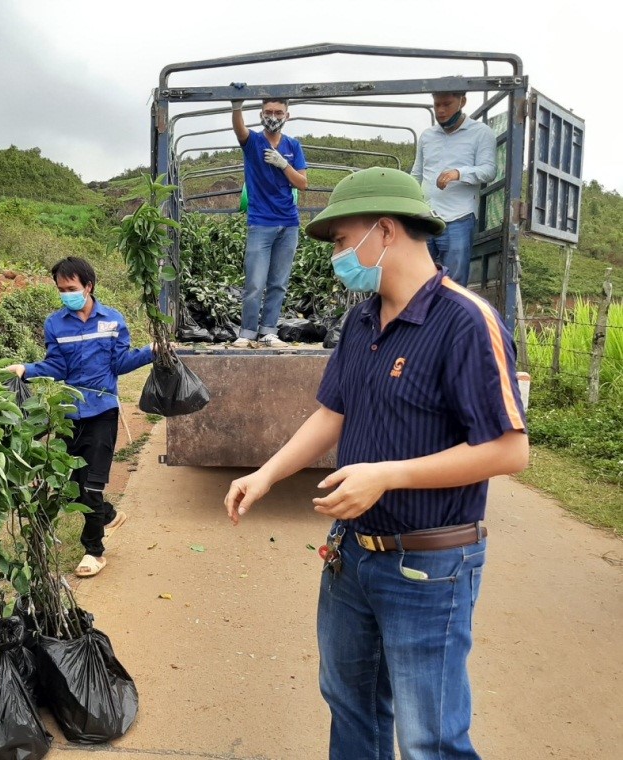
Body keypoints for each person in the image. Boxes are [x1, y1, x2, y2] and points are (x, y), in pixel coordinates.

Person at [223, 167, 529, 759]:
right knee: (351, 707)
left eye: (341, 240)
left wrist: (388, 474)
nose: (337, 255)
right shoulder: (361, 319)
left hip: (429, 566)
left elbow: (509, 450)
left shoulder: (465, 321)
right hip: (353, 557)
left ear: (385, 231)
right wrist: (264, 475)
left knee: (429, 738)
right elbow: (331, 414)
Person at [6, 256, 152, 578]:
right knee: (73, 479)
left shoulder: (112, 321)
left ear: (89, 286)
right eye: (60, 290)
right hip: (68, 412)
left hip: (103, 410)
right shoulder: (55, 324)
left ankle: (94, 551)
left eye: (71, 288)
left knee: (92, 484)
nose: (65, 295)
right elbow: (57, 367)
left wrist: (151, 352)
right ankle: (111, 515)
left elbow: (121, 364)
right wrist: (25, 370)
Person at [230, 96, 309, 348]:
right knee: (254, 282)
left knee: (278, 282)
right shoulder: (253, 142)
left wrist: (284, 164)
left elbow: (302, 183)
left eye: (278, 112)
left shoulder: (293, 146)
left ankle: (268, 331)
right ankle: (247, 333)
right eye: (268, 111)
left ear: (287, 115)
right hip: (260, 223)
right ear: (261, 114)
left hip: (288, 224)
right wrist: (236, 107)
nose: (272, 116)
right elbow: (239, 129)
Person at [411, 91, 497, 286]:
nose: (440, 111)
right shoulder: (427, 136)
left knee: (453, 284)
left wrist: (459, 173)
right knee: (418, 279)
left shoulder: (481, 132)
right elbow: (417, 174)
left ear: (462, 102)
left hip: (458, 219)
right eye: (436, 105)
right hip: (425, 218)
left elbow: (489, 170)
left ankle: (449, 317)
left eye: (447, 104)